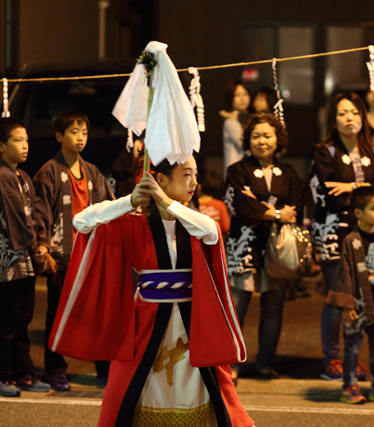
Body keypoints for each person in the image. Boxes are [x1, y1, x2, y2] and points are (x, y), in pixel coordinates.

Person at [48, 153, 254, 427]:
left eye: (195, 173)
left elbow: (212, 232)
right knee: (130, 390)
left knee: (212, 391)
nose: (194, 181)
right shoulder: (135, 223)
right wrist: (130, 201)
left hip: (192, 325)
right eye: (186, 174)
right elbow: (81, 222)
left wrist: (167, 203)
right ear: (161, 180)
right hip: (146, 321)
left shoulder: (193, 222)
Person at [309, 92, 374, 381]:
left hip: (370, 236)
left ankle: (351, 357)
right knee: (338, 297)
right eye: (342, 113)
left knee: (364, 295)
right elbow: (329, 195)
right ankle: (331, 358)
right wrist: (367, 192)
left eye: (355, 113)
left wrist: (353, 187)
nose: (350, 118)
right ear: (333, 120)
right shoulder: (326, 152)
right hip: (335, 234)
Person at [34, 110, 111, 391]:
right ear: (59, 136)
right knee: (58, 313)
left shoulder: (92, 172)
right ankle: (54, 369)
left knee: (97, 312)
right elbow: (40, 215)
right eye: (74, 132)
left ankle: (103, 365)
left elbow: (106, 207)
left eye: (84, 133)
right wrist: (44, 250)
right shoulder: (49, 172)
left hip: (90, 255)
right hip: (63, 254)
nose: (80, 138)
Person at [223, 113, 303, 380]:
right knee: (237, 305)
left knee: (273, 306)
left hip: (277, 247)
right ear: (248, 140)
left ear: (278, 139)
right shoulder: (237, 170)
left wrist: (260, 208)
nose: (261, 141)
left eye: (267, 135)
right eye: (256, 136)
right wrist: (276, 212)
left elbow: (296, 210)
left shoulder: (289, 173)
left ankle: (265, 363)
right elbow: (239, 207)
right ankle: (229, 363)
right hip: (244, 245)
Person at [0, 117, 51, 397]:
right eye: (18, 140)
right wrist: (36, 246)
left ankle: (23, 374)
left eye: (26, 140)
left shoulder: (23, 177)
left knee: (23, 318)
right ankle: (0, 376)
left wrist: (39, 242)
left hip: (23, 260)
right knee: (7, 321)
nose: (25, 145)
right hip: (7, 262)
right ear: (1, 146)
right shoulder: (2, 178)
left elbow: (34, 215)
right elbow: (16, 221)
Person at [326, 186, 374, 404]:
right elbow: (345, 274)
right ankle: (349, 386)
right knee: (352, 346)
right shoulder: (351, 241)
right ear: (358, 213)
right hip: (359, 303)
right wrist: (346, 305)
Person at [221, 80, 252, 174]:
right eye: (237, 95)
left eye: (245, 94)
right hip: (237, 173)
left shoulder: (248, 118)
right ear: (230, 98)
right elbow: (245, 146)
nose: (242, 98)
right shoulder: (231, 122)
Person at [198, 169, 230, 237]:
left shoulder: (192, 205)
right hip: (215, 242)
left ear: (199, 186)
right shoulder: (220, 205)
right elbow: (226, 228)